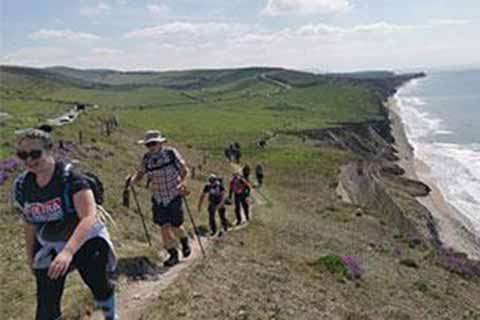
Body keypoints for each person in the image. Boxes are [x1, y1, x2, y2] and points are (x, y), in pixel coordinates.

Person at [12, 129, 118, 320]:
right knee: (46, 305)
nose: (29, 160)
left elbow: (88, 217)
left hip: (86, 237)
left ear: (50, 150)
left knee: (98, 284)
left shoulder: (72, 179)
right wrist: (30, 258)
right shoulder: (23, 185)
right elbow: (29, 222)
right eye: (22, 155)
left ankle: (111, 315)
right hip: (50, 241)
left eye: (35, 154)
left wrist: (68, 252)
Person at [126, 130, 191, 267]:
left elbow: (185, 170)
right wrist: (132, 181)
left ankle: (184, 240)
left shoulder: (171, 154)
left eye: (153, 143)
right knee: (163, 227)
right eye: (148, 145)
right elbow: (140, 174)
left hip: (174, 194)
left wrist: (183, 183)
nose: (151, 147)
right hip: (158, 197)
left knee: (175, 226)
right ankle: (173, 254)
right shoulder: (146, 159)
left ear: (160, 143)